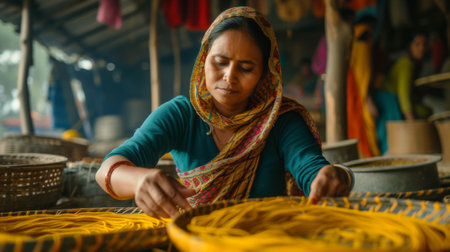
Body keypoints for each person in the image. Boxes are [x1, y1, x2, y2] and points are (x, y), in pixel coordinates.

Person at [96, 6, 353, 219]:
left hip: (266, 241)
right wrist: (138, 180)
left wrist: (335, 176)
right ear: (203, 60)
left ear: (265, 75)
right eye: (220, 62)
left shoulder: (281, 121)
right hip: (194, 242)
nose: (229, 77)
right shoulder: (181, 115)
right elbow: (108, 169)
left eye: (246, 68)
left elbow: (313, 170)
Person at [373, 31, 431, 153]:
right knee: (393, 139)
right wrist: (411, 122)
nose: (422, 48)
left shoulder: (415, 64)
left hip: (391, 99)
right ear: (410, 46)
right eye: (417, 44)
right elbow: (403, 94)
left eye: (424, 44)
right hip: (388, 99)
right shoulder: (406, 64)